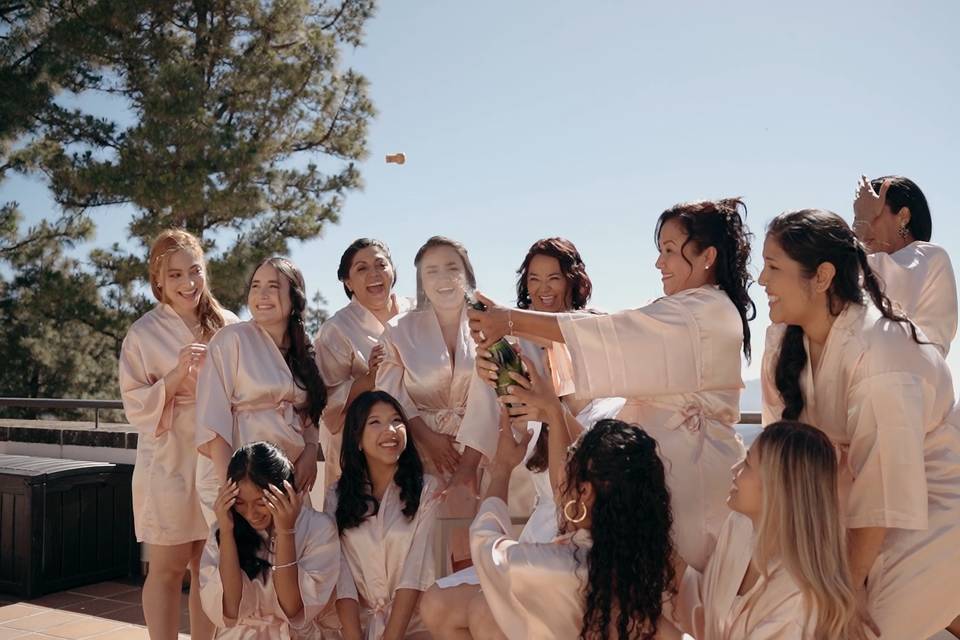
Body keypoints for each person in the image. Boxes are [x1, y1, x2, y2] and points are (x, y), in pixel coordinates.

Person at [467, 198, 754, 571]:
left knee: (681, 598)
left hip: (690, 483)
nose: (658, 262)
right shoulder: (685, 308)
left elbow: (613, 335)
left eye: (669, 250)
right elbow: (608, 340)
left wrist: (509, 320)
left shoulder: (705, 312)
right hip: (652, 482)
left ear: (707, 256)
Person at [759, 208, 960, 638]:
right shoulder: (782, 341)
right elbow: (780, 461)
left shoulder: (882, 350)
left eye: (773, 267)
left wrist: (843, 594)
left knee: (868, 628)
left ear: (822, 276)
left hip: (936, 504)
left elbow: (884, 490)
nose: (761, 281)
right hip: (851, 504)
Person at [119, 228, 236, 640]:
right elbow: (134, 405)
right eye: (175, 276)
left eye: (195, 271)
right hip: (167, 455)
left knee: (208, 567)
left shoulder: (228, 325)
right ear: (158, 282)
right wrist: (174, 376)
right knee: (167, 567)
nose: (188, 284)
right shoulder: (142, 334)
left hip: (216, 454)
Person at [676, 420, 862, 639]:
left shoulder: (798, 602)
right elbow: (709, 616)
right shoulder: (738, 527)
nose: (734, 469)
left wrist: (659, 630)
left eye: (746, 463)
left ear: (777, 488)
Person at [376, 236, 480, 570]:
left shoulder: (489, 322)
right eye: (431, 270)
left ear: (467, 273)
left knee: (476, 550)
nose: (443, 278)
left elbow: (497, 396)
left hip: (481, 449)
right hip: (420, 451)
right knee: (425, 555)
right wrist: (428, 440)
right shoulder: (398, 330)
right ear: (421, 279)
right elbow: (391, 396)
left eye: (452, 267)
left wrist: (468, 465)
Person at [197, 257, 326, 507]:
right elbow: (212, 422)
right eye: (255, 286)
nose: (262, 294)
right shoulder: (231, 340)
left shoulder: (303, 347)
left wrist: (311, 449)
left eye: (273, 286)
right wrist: (233, 489)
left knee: (291, 543)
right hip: (235, 474)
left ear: (295, 296)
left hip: (288, 473)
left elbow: (311, 407)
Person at [327, 391, 440, 639]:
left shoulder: (427, 489)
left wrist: (392, 635)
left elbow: (416, 569)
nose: (390, 429)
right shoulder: (336, 496)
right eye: (375, 422)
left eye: (397, 420)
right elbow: (342, 576)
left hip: (417, 627)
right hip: (359, 628)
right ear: (357, 438)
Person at [199, 442, 340, 638]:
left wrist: (285, 532)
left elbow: (292, 608)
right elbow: (230, 609)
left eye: (261, 502)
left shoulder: (319, 528)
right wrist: (227, 533)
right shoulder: (224, 528)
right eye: (240, 503)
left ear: (285, 491)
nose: (251, 514)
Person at [314, 238, 413, 491]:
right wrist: (369, 379)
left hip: (419, 438)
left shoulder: (417, 312)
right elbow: (326, 405)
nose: (374, 274)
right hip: (360, 447)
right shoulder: (335, 329)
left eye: (381, 264)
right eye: (361, 268)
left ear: (393, 269)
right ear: (348, 282)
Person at [852, 174, 956, 355]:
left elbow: (846, 287)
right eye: (858, 216)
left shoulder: (930, 257)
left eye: (872, 213)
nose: (864, 223)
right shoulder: (872, 265)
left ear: (903, 216)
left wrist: (861, 221)